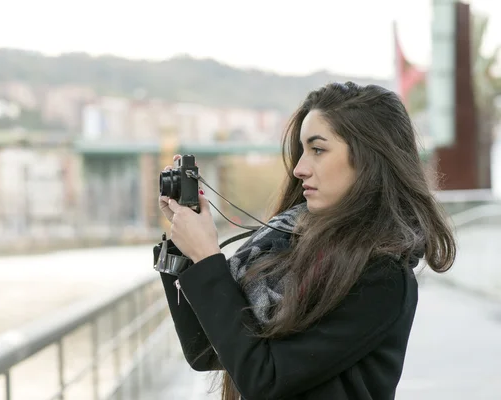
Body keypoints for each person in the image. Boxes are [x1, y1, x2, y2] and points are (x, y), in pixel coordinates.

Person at [155, 81, 456, 400]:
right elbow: (204, 349)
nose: (299, 169)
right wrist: (184, 251)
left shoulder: (381, 276)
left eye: (318, 149)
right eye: (302, 151)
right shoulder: (283, 245)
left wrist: (207, 258)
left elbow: (266, 379)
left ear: (369, 157)